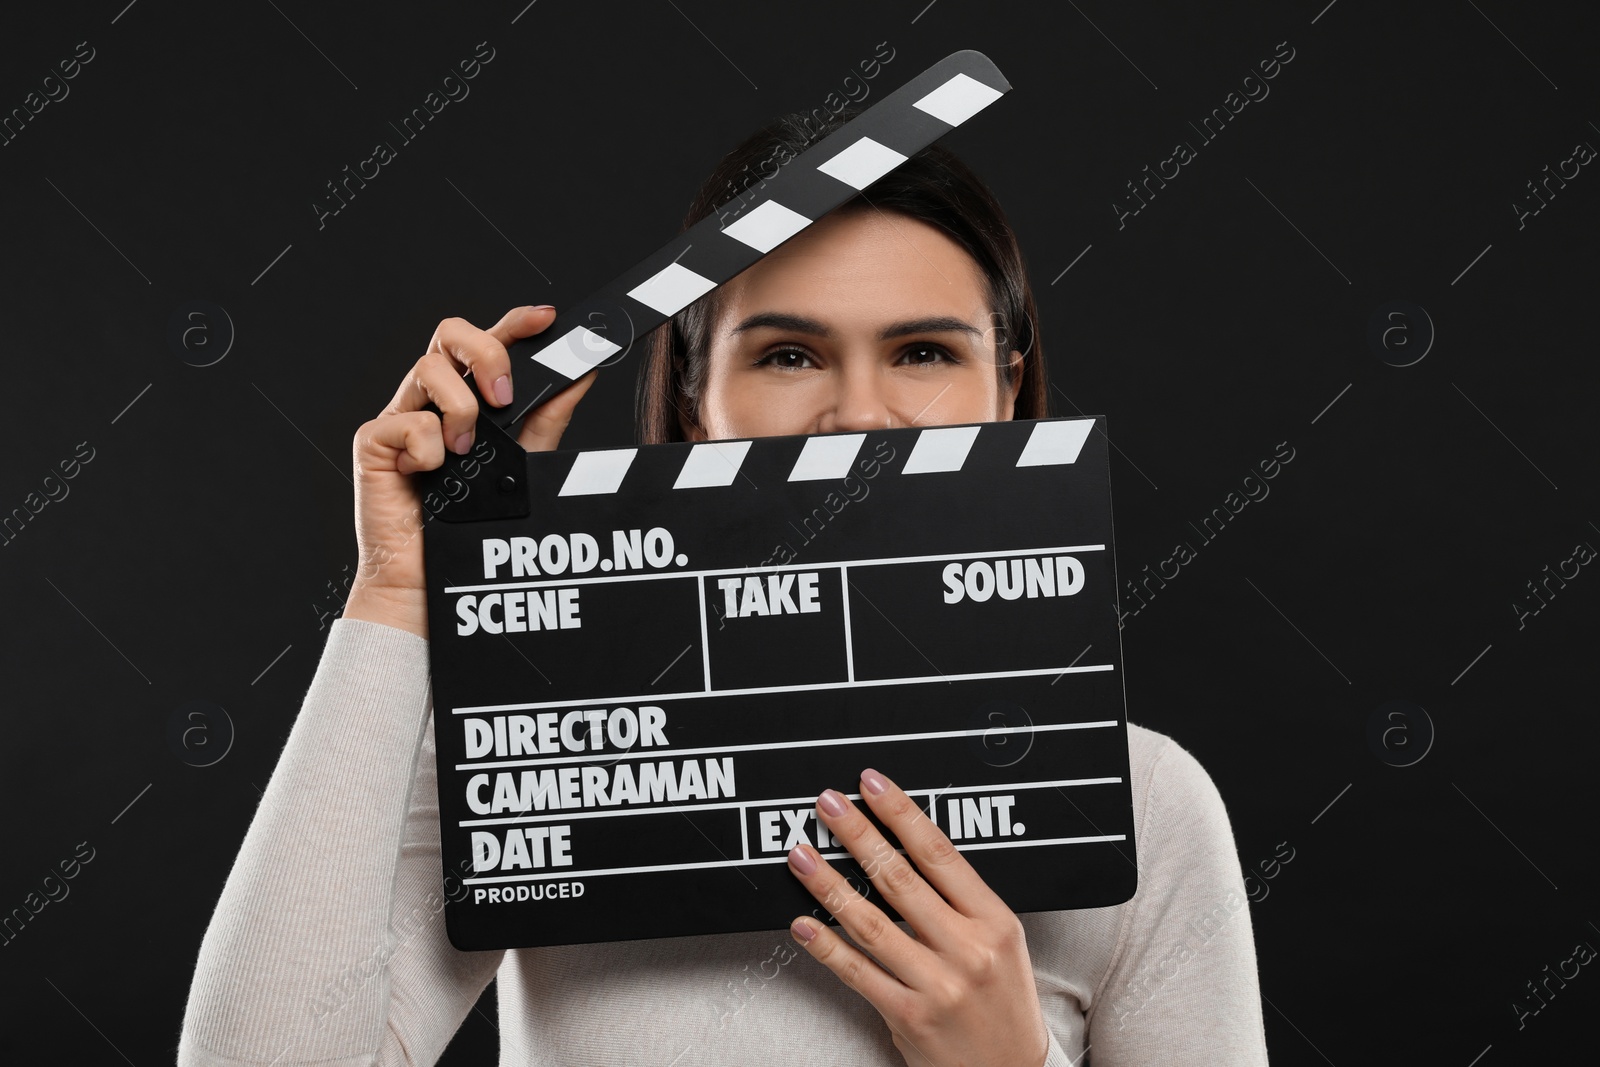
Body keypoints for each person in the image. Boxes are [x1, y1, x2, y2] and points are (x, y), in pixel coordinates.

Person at [177, 109, 1270, 1066]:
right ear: (696, 402)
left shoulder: (1148, 802)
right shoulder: (543, 753)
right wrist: (399, 587)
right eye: (788, 355)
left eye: (925, 353)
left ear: (1007, 384)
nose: (859, 414)